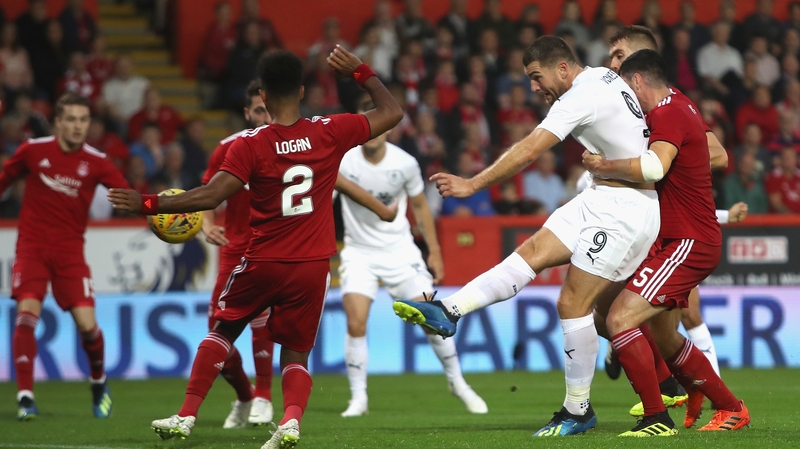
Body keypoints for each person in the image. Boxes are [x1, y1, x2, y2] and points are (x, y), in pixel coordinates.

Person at [108, 47, 402, 448]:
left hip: (264, 259)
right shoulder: (329, 131)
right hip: (313, 264)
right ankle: (291, 421)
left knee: (224, 329)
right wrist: (361, 71)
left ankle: (186, 414)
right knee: (296, 353)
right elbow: (391, 112)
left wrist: (148, 204)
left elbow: (210, 196)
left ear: (262, 95)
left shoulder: (249, 144)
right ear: (301, 91)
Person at [393, 36, 661, 437]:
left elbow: (531, 148)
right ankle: (449, 311)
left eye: (537, 77)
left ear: (563, 69)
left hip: (627, 209)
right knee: (532, 251)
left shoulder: (580, 95)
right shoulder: (603, 76)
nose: (534, 87)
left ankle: (579, 410)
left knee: (573, 303)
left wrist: (472, 184)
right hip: (602, 194)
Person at [201, 80, 399, 429]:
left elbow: (336, 180)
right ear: (248, 113)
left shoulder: (298, 145)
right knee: (217, 329)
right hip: (237, 249)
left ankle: (263, 396)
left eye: (266, 109)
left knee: (261, 323)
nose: (265, 115)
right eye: (258, 111)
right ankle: (246, 395)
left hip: (276, 251)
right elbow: (208, 191)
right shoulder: (232, 148)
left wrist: (379, 208)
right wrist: (204, 225)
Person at [583, 48, 750, 436]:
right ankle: (727, 406)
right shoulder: (681, 104)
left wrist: (602, 166)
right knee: (663, 334)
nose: (627, 97)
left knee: (619, 318)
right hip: (678, 239)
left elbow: (655, 167)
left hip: (686, 241)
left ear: (638, 80)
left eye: (627, 86)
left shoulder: (667, 114)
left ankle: (656, 418)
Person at [337, 97, 487, 418]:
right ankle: (358, 398)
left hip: (400, 251)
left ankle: (457, 382)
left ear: (389, 128)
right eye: (368, 122)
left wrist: (434, 251)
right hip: (359, 252)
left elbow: (420, 207)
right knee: (355, 320)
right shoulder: (344, 161)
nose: (374, 130)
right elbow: (323, 202)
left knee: (431, 318)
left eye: (380, 124)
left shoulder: (404, 162)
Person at [0, 93, 130, 420]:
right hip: (31, 248)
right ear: (58, 122)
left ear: (89, 124)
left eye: (83, 120)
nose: (77, 126)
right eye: (70, 119)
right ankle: (26, 397)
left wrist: (161, 213)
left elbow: (128, 195)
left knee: (88, 327)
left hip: (70, 253)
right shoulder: (33, 151)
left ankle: (98, 381)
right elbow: (4, 180)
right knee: (26, 313)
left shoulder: (97, 161)